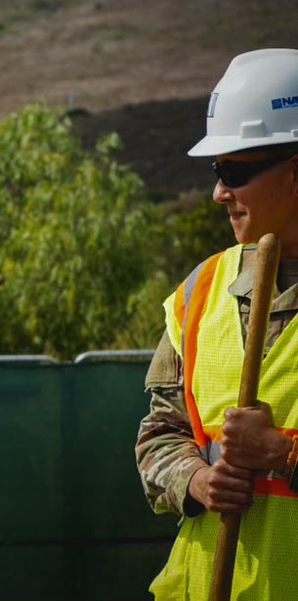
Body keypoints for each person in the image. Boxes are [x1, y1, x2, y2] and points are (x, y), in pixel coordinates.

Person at [136, 48, 298, 599]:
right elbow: (161, 432)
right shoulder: (198, 292)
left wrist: (281, 453)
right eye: (216, 171)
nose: (218, 193)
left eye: (235, 171)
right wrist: (196, 480)